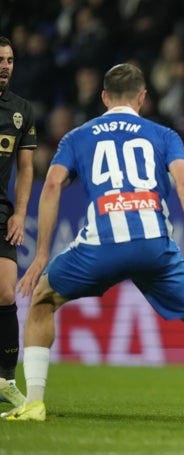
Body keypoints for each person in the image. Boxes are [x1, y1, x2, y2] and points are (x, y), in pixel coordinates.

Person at [1, 62, 184, 427]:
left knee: (42, 300)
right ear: (142, 97)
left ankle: (35, 403)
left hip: (100, 242)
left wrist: (42, 252)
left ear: (104, 97)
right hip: (154, 243)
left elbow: (54, 185)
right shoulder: (163, 134)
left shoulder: (77, 136)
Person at [0, 36, 36, 412]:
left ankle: (6, 380)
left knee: (6, 294)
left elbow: (26, 168)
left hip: (1, 212)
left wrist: (20, 213)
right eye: (0, 59)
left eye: (10, 59)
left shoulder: (21, 110)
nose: (5, 65)